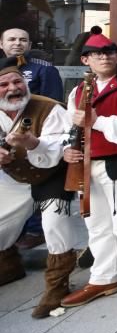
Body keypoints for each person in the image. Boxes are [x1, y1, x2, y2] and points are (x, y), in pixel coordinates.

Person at [61, 32, 117, 310]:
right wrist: (68, 148)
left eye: (110, 51)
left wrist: (97, 121)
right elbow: (71, 128)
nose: (105, 57)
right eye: (98, 53)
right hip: (88, 165)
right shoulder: (78, 92)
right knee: (97, 225)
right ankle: (103, 277)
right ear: (85, 59)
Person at [0, 57, 78, 318]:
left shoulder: (49, 108)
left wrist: (33, 143)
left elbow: (61, 147)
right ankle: (7, 264)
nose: (13, 89)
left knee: (54, 222)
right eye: (4, 84)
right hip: (13, 177)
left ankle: (57, 285)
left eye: (17, 82)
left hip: (51, 175)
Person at [2, 26, 65, 251]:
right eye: (11, 39)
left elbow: (53, 107)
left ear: (29, 45)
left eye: (23, 39)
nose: (17, 43)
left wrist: (34, 140)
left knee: (43, 200)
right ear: (2, 44)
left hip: (38, 145)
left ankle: (34, 230)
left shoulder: (44, 69)